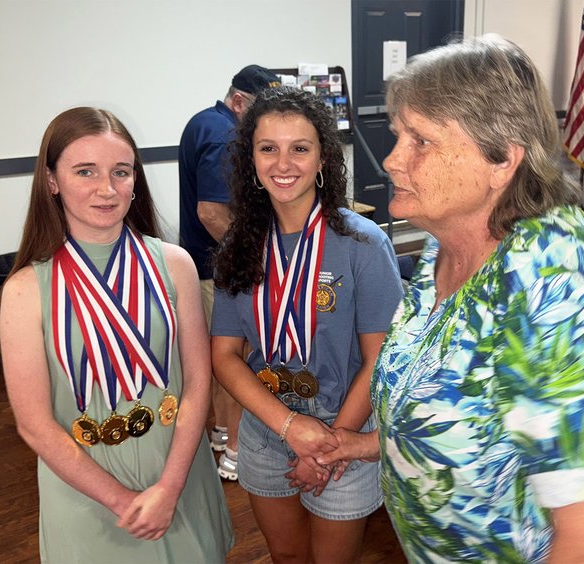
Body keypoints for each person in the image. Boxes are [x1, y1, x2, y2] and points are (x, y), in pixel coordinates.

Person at [318, 35, 584, 562]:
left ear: (502, 162)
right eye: (399, 134)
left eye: (420, 141)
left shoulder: (556, 281)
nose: (393, 160)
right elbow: (472, 407)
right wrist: (372, 443)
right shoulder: (450, 241)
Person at [0, 107, 234, 562]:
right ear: (52, 181)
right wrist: (123, 501)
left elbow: (197, 384)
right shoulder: (25, 290)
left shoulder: (175, 264)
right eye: (85, 171)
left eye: (120, 172)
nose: (106, 189)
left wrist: (168, 488)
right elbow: (34, 424)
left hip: (178, 469)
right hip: (87, 490)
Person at [210, 87, 403, 563]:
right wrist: (291, 426)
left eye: (300, 148)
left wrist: (330, 446)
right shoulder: (240, 243)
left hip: (345, 430)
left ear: (322, 159)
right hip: (267, 431)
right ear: (251, 159)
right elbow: (224, 355)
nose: (283, 163)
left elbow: (380, 359)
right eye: (268, 148)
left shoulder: (363, 243)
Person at [178, 64, 280, 481]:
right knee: (237, 360)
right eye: (259, 114)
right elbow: (212, 212)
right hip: (217, 269)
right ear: (239, 102)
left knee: (220, 359)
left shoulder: (203, 121)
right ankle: (237, 454)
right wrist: (256, 260)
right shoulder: (226, 134)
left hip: (203, 264)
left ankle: (221, 435)